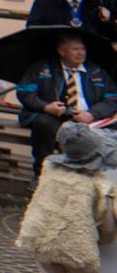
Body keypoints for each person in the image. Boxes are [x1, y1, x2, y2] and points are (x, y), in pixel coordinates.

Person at [15, 121, 117, 273]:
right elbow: (106, 218)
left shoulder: (49, 169)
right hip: (79, 244)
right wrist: (107, 238)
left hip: (45, 238)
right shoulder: (98, 181)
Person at [16, 31, 117, 176]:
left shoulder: (96, 71)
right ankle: (41, 173)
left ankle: (102, 174)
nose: (81, 53)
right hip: (53, 116)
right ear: (61, 51)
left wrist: (92, 114)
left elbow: (112, 98)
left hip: (89, 118)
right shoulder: (43, 67)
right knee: (44, 124)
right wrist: (46, 107)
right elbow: (24, 92)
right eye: (75, 49)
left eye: (83, 49)